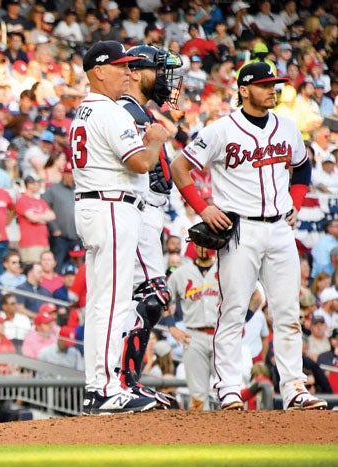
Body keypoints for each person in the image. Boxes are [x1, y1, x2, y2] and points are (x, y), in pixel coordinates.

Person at [170, 62, 326, 411]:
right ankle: (227, 388)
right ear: (244, 89)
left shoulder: (287, 126)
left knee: (287, 312)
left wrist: (297, 203)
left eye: (276, 84)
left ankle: (295, 388)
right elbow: (180, 166)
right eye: (266, 84)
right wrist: (203, 207)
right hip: (240, 229)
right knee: (233, 311)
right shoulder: (221, 130)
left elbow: (301, 166)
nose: (274, 89)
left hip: (280, 229)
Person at [71, 41, 168, 415]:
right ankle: (108, 387)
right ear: (99, 71)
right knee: (113, 303)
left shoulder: (84, 110)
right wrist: (156, 141)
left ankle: (97, 386)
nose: (128, 72)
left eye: (130, 67)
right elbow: (142, 163)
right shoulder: (111, 113)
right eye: (120, 66)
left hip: (94, 205)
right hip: (112, 206)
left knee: (100, 303)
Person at [117, 45, 181, 408]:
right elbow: (138, 164)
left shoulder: (139, 111)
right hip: (139, 210)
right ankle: (125, 383)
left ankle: (125, 383)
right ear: (138, 72)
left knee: (144, 298)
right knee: (150, 296)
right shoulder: (126, 111)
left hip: (149, 212)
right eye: (160, 70)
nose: (166, 78)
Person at [166, 242, 220, 410]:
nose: (202, 247)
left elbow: (255, 294)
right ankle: (202, 435)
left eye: (206, 242)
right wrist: (172, 327)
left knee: (228, 393)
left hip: (222, 335)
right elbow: (164, 301)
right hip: (193, 335)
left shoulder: (225, 269)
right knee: (197, 397)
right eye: (198, 243)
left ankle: (231, 434)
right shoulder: (181, 274)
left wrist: (243, 319)